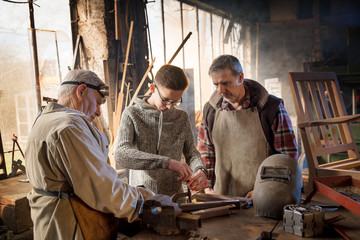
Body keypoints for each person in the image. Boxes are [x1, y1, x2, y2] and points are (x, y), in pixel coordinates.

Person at [25, 70, 155, 239]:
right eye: (98, 102)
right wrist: (144, 199)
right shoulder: (69, 127)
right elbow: (103, 189)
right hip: (71, 225)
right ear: (81, 91)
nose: (99, 112)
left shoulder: (45, 119)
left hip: (51, 222)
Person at [197, 55, 298, 199]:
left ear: (240, 77)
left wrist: (265, 188)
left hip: (264, 197)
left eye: (225, 83)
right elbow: (206, 152)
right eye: (216, 84)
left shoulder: (271, 109)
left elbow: (287, 158)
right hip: (221, 198)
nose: (220, 90)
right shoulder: (210, 110)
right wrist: (207, 186)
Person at [114, 64, 208, 196]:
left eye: (175, 102)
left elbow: (191, 153)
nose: (170, 107)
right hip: (142, 199)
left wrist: (200, 170)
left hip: (176, 199)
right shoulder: (132, 114)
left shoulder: (181, 117)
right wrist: (167, 163)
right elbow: (121, 154)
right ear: (152, 88)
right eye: (166, 100)